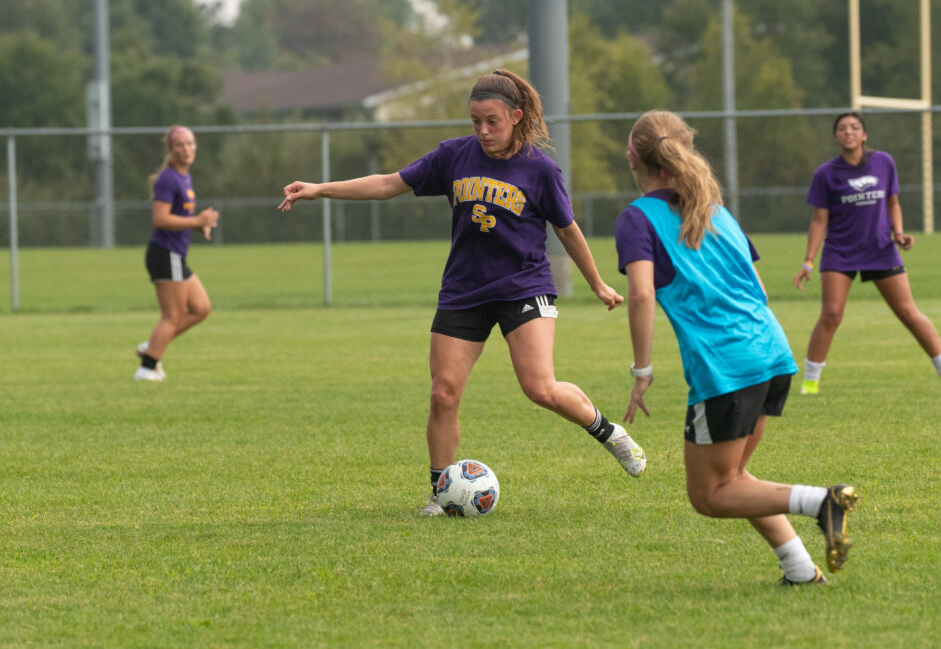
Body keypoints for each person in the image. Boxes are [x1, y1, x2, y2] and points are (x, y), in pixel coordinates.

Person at [279, 69, 647, 515]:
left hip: (523, 286)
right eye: (475, 121)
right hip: (464, 289)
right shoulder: (453, 156)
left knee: (539, 388)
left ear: (516, 116)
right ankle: (440, 494)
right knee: (443, 392)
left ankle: (610, 434)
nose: (483, 131)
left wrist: (598, 284)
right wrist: (320, 189)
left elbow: (566, 230)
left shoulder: (540, 169)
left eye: (492, 121)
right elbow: (386, 185)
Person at [615, 110, 858, 584]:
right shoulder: (714, 210)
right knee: (737, 480)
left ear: (633, 157)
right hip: (772, 352)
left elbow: (641, 294)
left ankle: (822, 502)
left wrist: (641, 370)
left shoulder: (637, 218)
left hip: (727, 368)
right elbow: (760, 290)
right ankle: (800, 570)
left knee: (709, 496)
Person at [793, 111, 941, 394]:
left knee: (908, 312)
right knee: (831, 315)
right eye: (843, 128)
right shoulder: (826, 173)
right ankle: (810, 382)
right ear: (836, 136)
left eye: (855, 127)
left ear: (864, 135)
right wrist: (808, 261)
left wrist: (899, 233)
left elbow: (893, 203)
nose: (849, 132)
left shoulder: (883, 162)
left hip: (880, 249)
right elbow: (819, 220)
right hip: (840, 252)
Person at [134, 125, 219, 381]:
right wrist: (195, 221)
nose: (187, 149)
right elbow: (160, 218)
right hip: (165, 253)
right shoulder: (169, 178)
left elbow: (178, 217)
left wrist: (199, 224)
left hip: (175, 255)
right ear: (171, 150)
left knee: (201, 308)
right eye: (181, 145)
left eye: (190, 143)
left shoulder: (184, 176)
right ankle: (148, 367)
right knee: (172, 316)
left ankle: (151, 347)